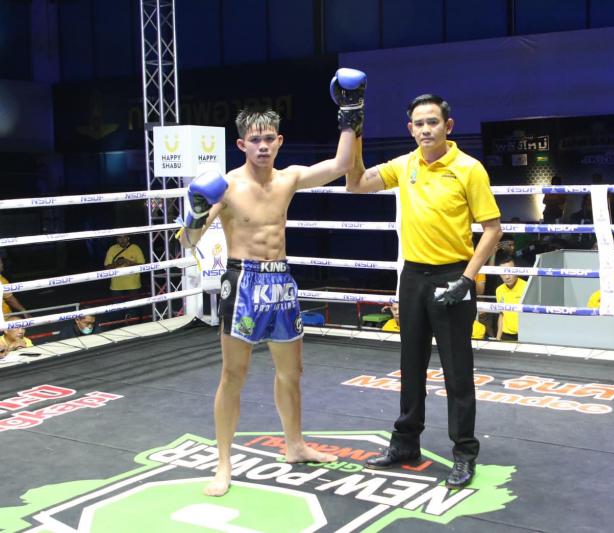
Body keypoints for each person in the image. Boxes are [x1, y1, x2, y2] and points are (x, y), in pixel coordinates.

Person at [178, 68, 365, 497]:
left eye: (269, 139)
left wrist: (351, 114)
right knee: (233, 374)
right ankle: (223, 463)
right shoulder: (226, 186)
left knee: (292, 372)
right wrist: (194, 211)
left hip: (280, 282)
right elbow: (188, 241)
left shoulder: (289, 178)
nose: (262, 146)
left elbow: (340, 165)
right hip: (242, 282)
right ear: (241, 144)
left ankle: (295, 445)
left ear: (279, 141)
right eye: (254, 140)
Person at [345, 93, 502, 488]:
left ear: (448, 126)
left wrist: (467, 280)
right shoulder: (404, 164)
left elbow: (492, 229)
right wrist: (355, 133)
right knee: (410, 365)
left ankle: (464, 453)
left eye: (433, 122)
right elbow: (356, 184)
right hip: (413, 275)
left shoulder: (469, 169)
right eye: (419, 123)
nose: (426, 129)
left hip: (453, 274)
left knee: (457, 371)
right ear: (410, 129)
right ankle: (405, 444)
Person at [103, 235, 146, 322]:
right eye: (119, 238)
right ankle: (118, 326)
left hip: (133, 285)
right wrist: (116, 264)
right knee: (117, 311)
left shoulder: (135, 248)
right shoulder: (112, 249)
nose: (122, 240)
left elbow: (143, 266)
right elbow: (106, 268)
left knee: (135, 309)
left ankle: (136, 325)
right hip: (116, 287)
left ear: (128, 238)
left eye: (124, 237)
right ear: (116, 239)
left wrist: (129, 262)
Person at [495, 257, 527, 341]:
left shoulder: (526, 287)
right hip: (506, 335)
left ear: (516, 271)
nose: (507, 277)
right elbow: (501, 314)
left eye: (510, 272)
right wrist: (498, 337)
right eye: (503, 273)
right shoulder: (499, 290)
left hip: (524, 334)